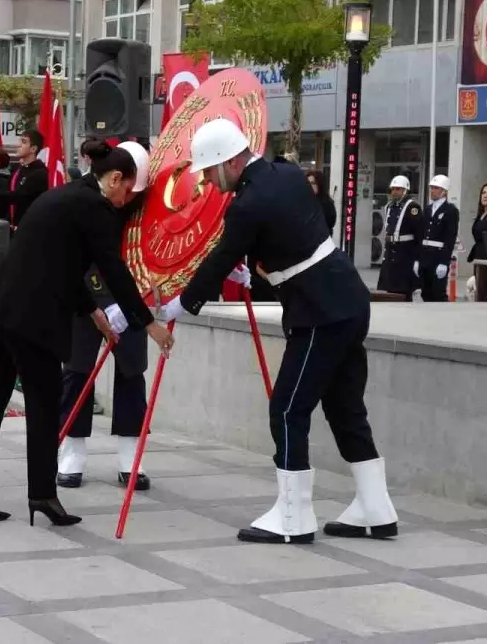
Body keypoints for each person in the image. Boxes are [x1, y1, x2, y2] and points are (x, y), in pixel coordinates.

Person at [159, 118, 398, 545]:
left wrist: (185, 302)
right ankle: (375, 508)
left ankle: (293, 516)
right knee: (345, 408)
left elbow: (221, 255)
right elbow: (286, 233)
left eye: (212, 173)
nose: (211, 183)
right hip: (346, 300)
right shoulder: (285, 173)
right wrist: (257, 266)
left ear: (232, 162)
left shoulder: (247, 204)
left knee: (287, 410)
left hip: (318, 312)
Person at [0, 142, 175, 528]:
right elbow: (114, 271)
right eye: (129, 191)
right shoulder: (95, 207)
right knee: (44, 408)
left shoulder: (64, 196)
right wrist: (149, 324)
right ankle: (42, 496)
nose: (128, 200)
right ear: (114, 179)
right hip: (31, 321)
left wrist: (92, 310)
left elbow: (61, 263)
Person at [57, 142, 153, 491]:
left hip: (132, 302)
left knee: (132, 376)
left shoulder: (140, 202)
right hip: (86, 302)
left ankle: (131, 460)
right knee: (77, 375)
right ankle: (71, 455)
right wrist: (104, 302)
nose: (128, 199)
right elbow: (83, 259)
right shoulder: (84, 200)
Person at [376, 175, 423, 301]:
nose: (394, 192)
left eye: (397, 189)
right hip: (390, 254)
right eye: (393, 189)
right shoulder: (389, 207)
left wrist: (418, 259)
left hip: (405, 255)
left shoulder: (413, 208)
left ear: (405, 191)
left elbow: (419, 235)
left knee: (403, 292)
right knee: (389, 292)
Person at [416, 175, 458, 303]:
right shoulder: (428, 209)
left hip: (438, 257)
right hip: (425, 256)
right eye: (431, 188)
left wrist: (444, 262)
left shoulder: (451, 210)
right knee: (425, 292)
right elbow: (421, 235)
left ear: (444, 191)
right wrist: (417, 259)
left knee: (438, 294)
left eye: (436, 188)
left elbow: (450, 238)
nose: (432, 191)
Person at [3, 130, 49, 227]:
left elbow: (17, 196)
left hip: (29, 226)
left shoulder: (39, 173)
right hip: (11, 225)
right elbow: (7, 193)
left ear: (33, 149)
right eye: (19, 141)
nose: (18, 145)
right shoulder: (17, 169)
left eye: (23, 142)